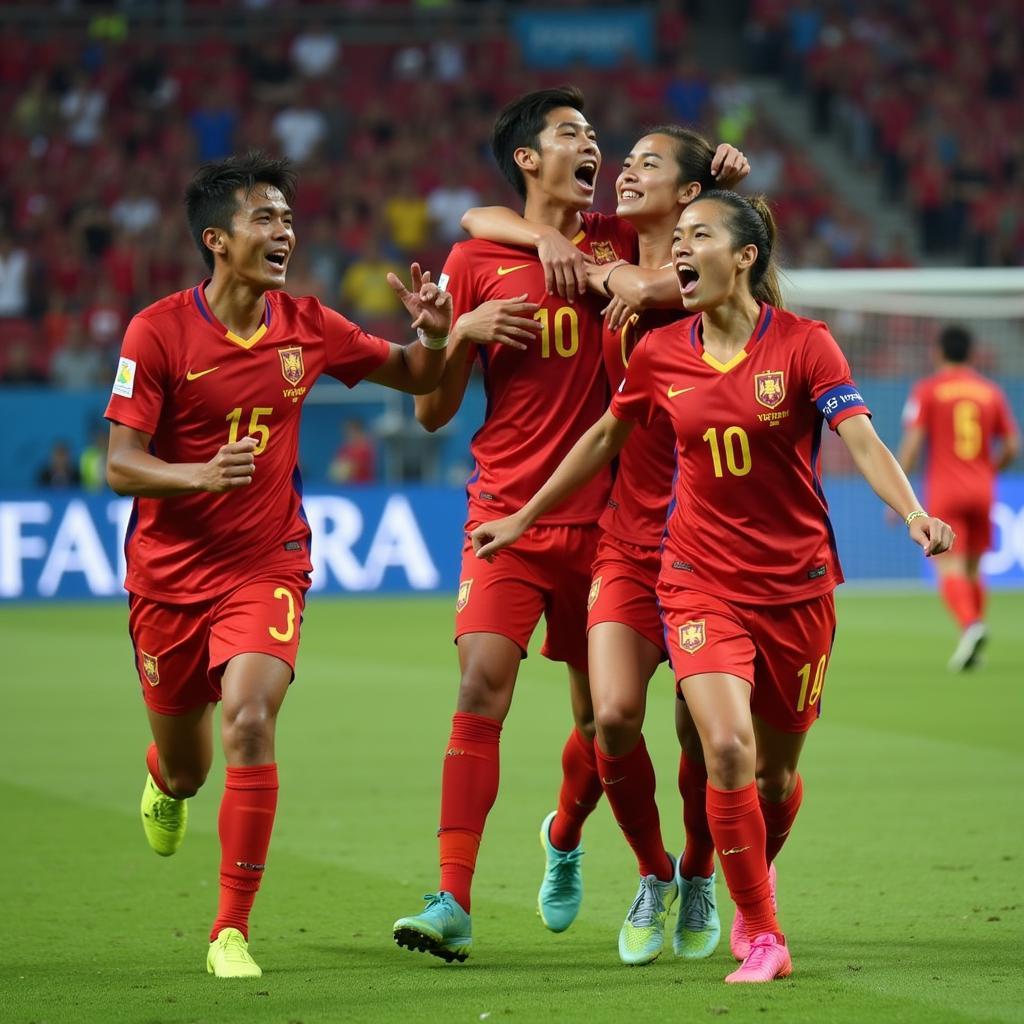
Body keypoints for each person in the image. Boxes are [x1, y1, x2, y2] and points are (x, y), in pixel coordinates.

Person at [470, 190, 953, 983]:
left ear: (746, 257)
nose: (680, 252)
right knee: (724, 744)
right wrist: (523, 516)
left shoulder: (805, 346)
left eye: (700, 236)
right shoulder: (660, 354)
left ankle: (729, 879)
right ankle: (760, 932)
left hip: (797, 587)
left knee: (773, 776)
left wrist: (912, 512)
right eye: (679, 238)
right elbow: (603, 437)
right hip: (697, 581)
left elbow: (860, 437)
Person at [104, 150, 453, 979]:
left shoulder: (309, 324)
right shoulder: (156, 331)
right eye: (266, 218)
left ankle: (229, 929)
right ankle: (165, 776)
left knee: (251, 721)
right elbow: (121, 462)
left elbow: (414, 377)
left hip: (268, 563)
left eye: (289, 219)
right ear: (217, 240)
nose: (285, 232)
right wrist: (197, 474)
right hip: (166, 578)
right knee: (190, 768)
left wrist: (436, 334)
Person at [462, 126, 748, 966]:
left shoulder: (681, 269)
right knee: (610, 719)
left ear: (693, 200)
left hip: (709, 540)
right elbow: (482, 217)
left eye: (646, 166)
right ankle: (631, 862)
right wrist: (560, 243)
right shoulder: (600, 244)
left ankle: (695, 872)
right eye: (622, 163)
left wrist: (637, 274)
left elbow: (708, 263)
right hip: (622, 530)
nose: (623, 173)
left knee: (700, 735)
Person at [391, 86, 639, 964]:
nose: (593, 144)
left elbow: (699, 223)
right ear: (529, 159)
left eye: (594, 133)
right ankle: (451, 899)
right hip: (505, 515)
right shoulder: (471, 262)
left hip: (610, 525)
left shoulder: (621, 242)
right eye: (572, 133)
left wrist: (716, 170)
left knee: (606, 724)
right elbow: (430, 414)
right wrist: (456, 333)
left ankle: (563, 832)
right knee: (478, 691)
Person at [897, 325, 1019, 670]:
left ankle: (970, 626)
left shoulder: (929, 390)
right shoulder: (989, 392)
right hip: (983, 489)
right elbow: (1012, 445)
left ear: (938, 352)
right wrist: (989, 469)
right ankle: (973, 642)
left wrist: (898, 497)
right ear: (971, 353)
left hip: (946, 489)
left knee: (948, 566)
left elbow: (913, 444)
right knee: (974, 568)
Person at [327, 417, 376, 483]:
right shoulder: (344, 448)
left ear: (358, 430)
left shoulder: (365, 448)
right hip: (347, 487)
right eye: (344, 431)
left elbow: (348, 471)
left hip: (364, 487)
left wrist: (343, 470)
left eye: (349, 430)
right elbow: (334, 473)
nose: (346, 434)